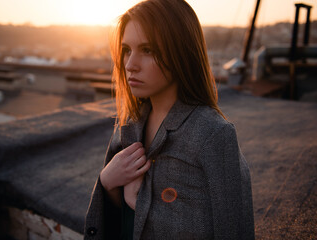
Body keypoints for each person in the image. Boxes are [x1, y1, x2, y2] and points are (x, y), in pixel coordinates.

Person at [84, 0, 255, 239]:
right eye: (126, 50)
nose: (130, 65)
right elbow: (114, 223)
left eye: (148, 50)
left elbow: (234, 231)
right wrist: (107, 183)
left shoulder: (213, 134)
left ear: (181, 53)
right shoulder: (129, 125)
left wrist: (138, 202)